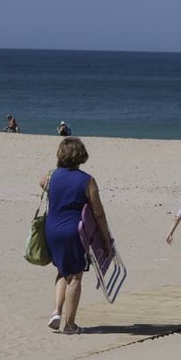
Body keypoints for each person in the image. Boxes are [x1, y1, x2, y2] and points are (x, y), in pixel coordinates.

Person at [41, 137, 111, 334]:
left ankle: (56, 312)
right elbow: (98, 213)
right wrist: (105, 238)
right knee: (76, 277)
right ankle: (70, 325)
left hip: (51, 229)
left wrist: (59, 194)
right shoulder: (87, 180)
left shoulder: (52, 176)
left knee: (63, 270)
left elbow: (41, 182)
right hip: (73, 231)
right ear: (81, 155)